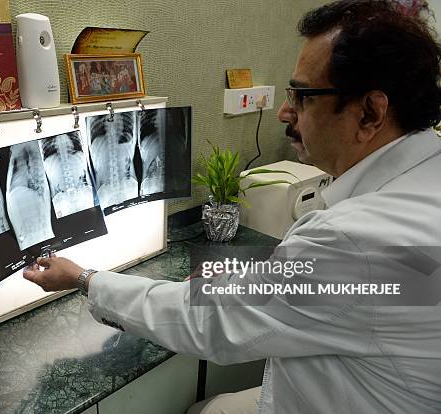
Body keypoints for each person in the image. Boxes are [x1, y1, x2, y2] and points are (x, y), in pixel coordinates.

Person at [24, 1, 441, 412]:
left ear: (370, 113)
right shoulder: (421, 184)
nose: (283, 111)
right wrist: (241, 273)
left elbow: (207, 322)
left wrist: (84, 278)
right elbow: (347, 284)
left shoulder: (358, 239)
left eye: (301, 96)